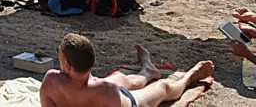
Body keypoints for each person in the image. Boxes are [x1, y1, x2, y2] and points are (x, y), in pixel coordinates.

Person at [40, 34, 213, 107]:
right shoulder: (105, 89)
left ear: (68, 66)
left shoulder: (51, 81)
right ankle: (149, 71)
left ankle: (188, 76)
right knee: (161, 87)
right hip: (107, 95)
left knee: (124, 80)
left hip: (122, 101)